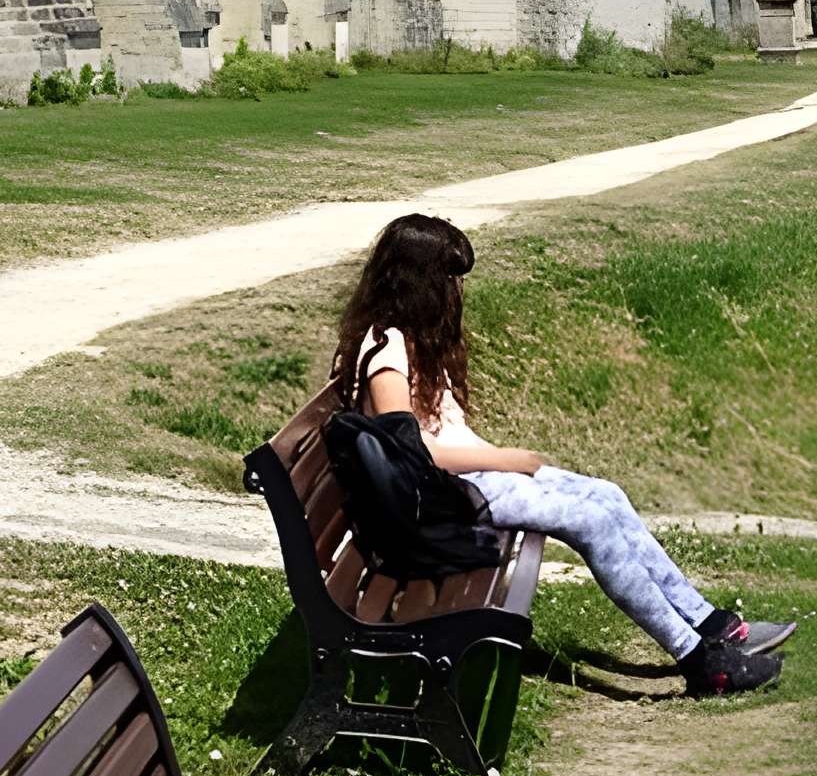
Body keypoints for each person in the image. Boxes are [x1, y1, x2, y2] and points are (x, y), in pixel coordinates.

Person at [334, 211, 791, 696]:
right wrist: (505, 461)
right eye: (448, 278)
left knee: (607, 496)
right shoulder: (387, 350)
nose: (456, 292)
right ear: (417, 280)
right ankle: (699, 660)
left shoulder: (412, 340)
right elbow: (412, 452)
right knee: (590, 522)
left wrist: (510, 464)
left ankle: (709, 623)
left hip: (474, 482)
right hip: (449, 500)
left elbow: (450, 432)